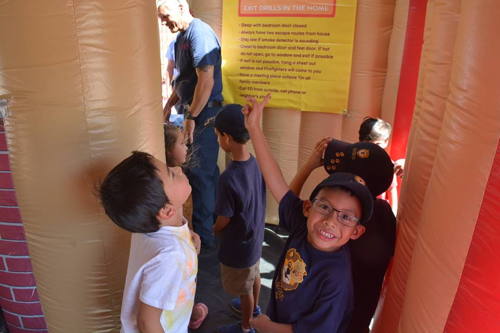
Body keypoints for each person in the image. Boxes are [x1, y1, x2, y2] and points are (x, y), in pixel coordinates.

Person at [243, 96, 374, 333]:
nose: (330, 220)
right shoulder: (304, 227)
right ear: (307, 208)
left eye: (345, 217)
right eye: (324, 207)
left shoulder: (336, 278)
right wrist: (254, 127)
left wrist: (266, 326)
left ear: (357, 232)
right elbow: (277, 183)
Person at [99, 151, 207, 332]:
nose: (178, 169)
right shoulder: (170, 256)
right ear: (166, 211)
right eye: (172, 174)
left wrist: (188, 235)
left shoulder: (150, 226)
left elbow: (174, 228)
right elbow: (147, 322)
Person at [158, 0, 223, 248]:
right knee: (206, 175)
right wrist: (165, 109)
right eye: (161, 19)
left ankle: (204, 243)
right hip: (189, 114)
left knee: (201, 177)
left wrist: (191, 118)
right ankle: (213, 226)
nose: (164, 22)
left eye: (166, 16)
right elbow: (182, 81)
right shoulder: (179, 40)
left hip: (203, 118)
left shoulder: (201, 33)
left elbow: (205, 82)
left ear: (182, 7)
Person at [322, 139, 396, 333]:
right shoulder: (383, 212)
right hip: (361, 315)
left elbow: (293, 212)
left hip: (333, 315)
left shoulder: (340, 221)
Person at [211, 104, 266, 333]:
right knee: (254, 277)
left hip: (238, 244)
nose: (218, 140)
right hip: (254, 239)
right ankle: (253, 311)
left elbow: (224, 218)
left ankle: (246, 326)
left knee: (244, 290)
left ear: (226, 138)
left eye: (217, 136)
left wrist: (214, 229)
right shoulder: (255, 162)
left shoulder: (228, 177)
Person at [358, 117, 405, 213]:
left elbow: (392, 193)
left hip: (377, 211)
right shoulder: (354, 160)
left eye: (377, 145)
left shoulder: (387, 164)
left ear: (386, 142)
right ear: (360, 141)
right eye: (368, 145)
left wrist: (393, 215)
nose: (372, 150)